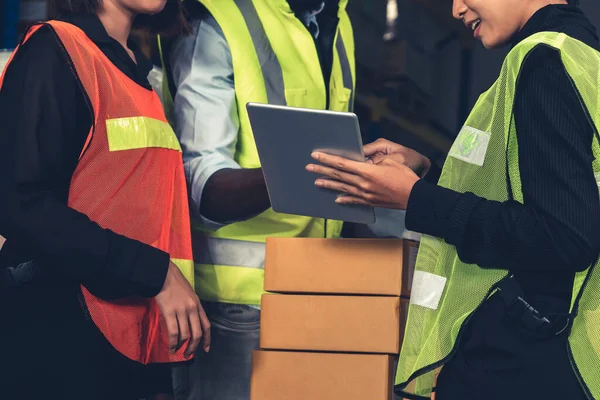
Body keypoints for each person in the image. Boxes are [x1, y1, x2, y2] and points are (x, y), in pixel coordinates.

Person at [306, 0, 600, 399]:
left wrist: (415, 199)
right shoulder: (582, 54)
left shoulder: (543, 61)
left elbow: (562, 236)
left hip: (538, 355)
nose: (456, 9)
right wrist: (428, 170)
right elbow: (537, 186)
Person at [0, 0, 211, 398]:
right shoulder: (55, 49)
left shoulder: (139, 70)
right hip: (60, 337)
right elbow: (20, 204)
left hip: (132, 338)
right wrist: (157, 273)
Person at [159, 0, 355, 398]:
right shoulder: (219, 19)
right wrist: (313, 170)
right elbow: (203, 182)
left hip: (316, 291)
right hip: (236, 304)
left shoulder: (337, 19)